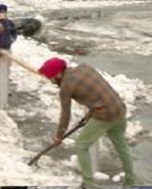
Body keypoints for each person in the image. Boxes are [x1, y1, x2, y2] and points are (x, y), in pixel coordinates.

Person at [39, 57, 135, 187]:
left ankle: (88, 184)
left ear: (57, 74)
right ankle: (131, 181)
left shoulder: (66, 87)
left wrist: (59, 136)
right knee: (121, 146)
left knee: (81, 145)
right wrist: (91, 111)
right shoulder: (85, 68)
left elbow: (65, 114)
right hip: (119, 108)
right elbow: (98, 92)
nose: (51, 80)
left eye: (50, 77)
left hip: (104, 114)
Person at [0, 4, 18, 99]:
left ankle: (6, 88)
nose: (2, 14)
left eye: (4, 12)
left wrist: (12, 40)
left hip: (7, 48)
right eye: (0, 12)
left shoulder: (9, 23)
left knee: (7, 69)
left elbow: (14, 32)